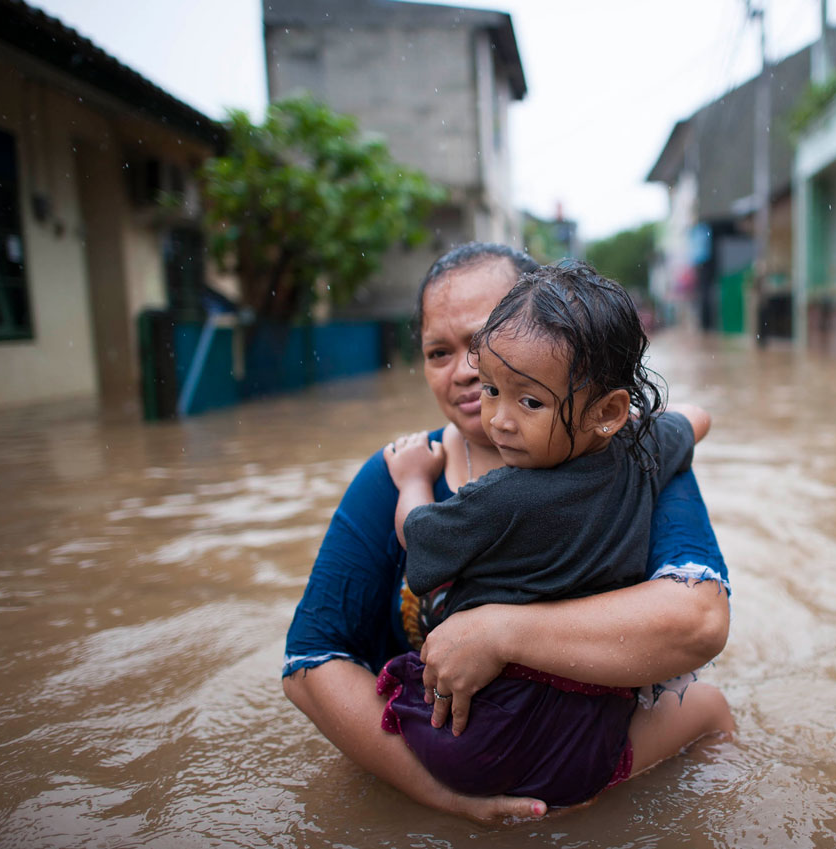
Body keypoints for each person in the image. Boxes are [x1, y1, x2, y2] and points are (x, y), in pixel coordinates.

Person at [282, 243, 732, 822]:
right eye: (438, 351)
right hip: (477, 766)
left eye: (485, 338)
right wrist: (438, 795)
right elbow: (311, 661)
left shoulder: (633, 453)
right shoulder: (394, 471)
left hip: (536, 754)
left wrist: (499, 633)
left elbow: (697, 620)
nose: (468, 370)